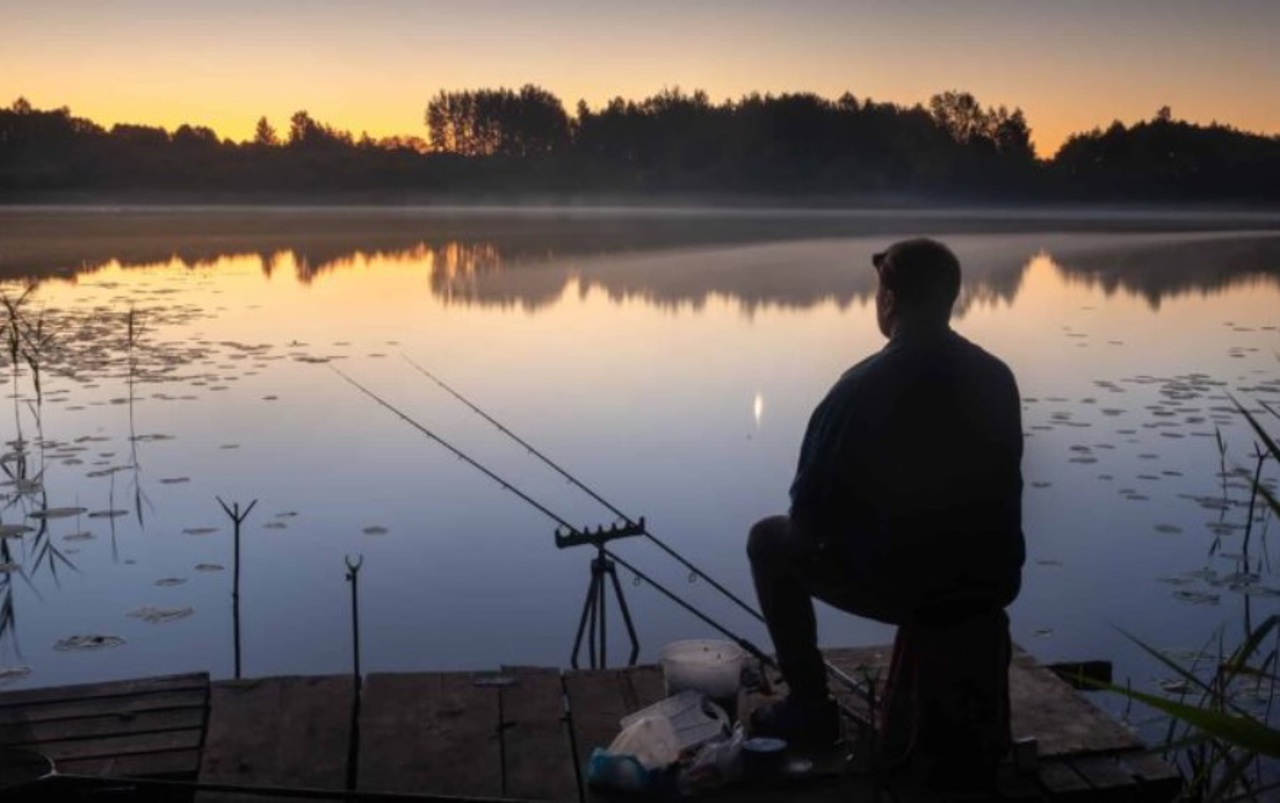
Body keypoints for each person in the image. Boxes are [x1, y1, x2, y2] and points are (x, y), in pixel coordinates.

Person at [746, 237, 1025, 745]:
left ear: (890, 301)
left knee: (769, 542)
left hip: (913, 588)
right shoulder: (996, 376)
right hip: (987, 584)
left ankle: (809, 706)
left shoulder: (859, 388)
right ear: (949, 300)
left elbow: (808, 522)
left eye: (878, 293)